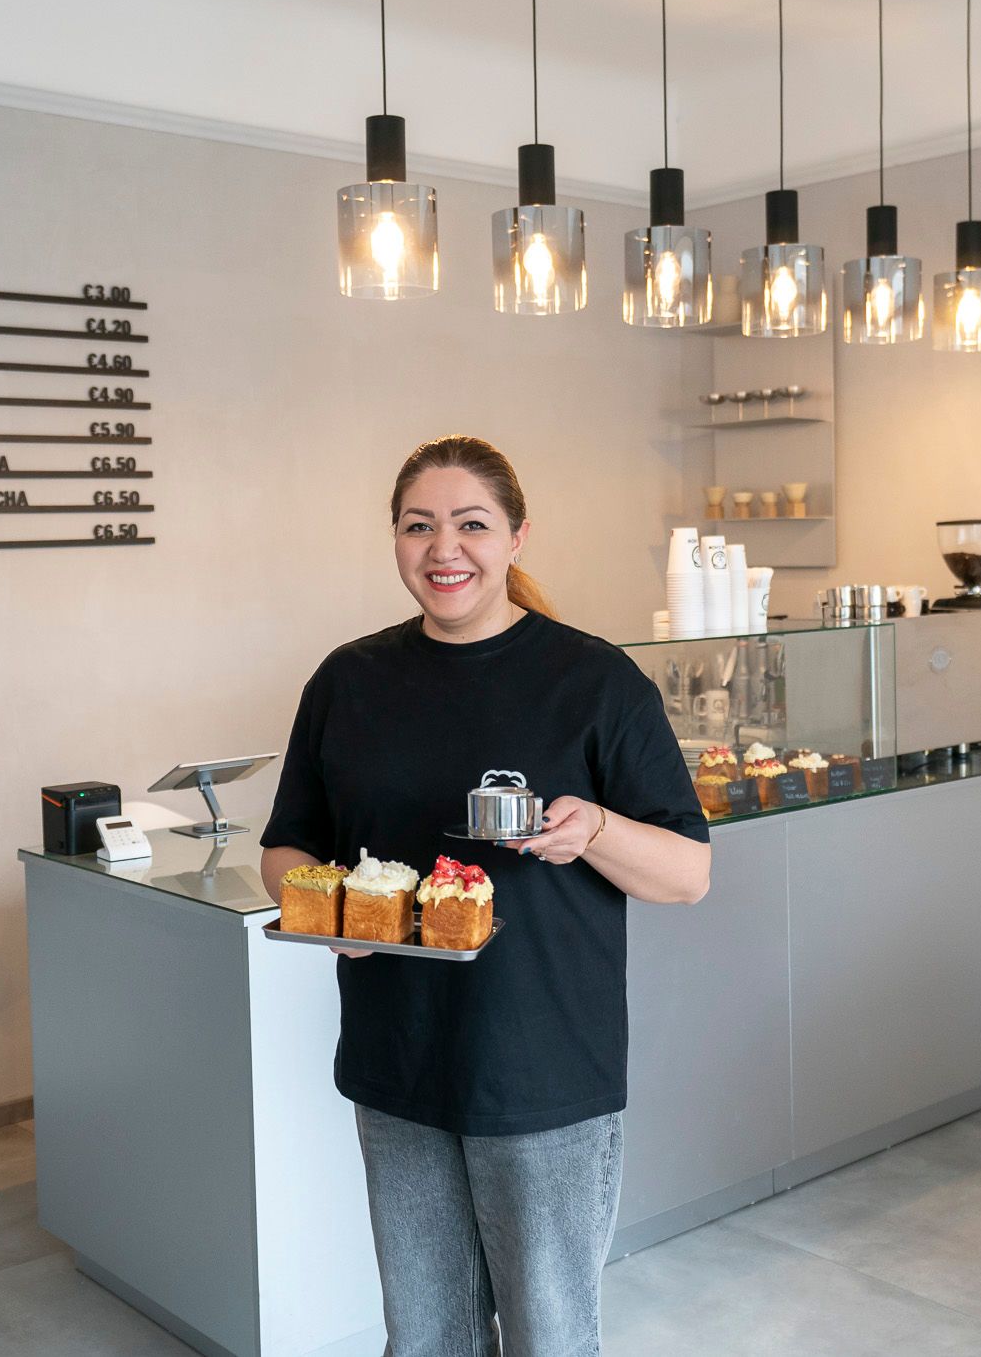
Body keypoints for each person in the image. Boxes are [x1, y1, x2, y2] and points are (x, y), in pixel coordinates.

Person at [260, 434, 712, 1356]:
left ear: (516, 538)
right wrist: (327, 913)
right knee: (424, 1334)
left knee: (549, 1335)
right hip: (399, 1056)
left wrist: (594, 830)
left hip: (542, 1068)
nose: (443, 549)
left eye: (471, 524)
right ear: (394, 538)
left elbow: (688, 872)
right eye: (418, 526)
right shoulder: (349, 680)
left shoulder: (593, 682)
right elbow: (287, 844)